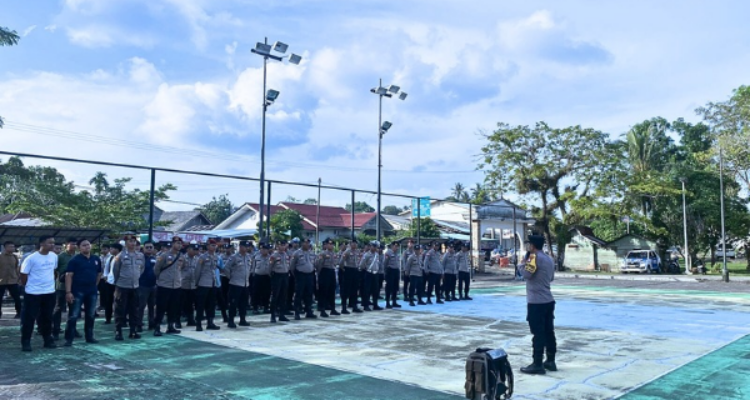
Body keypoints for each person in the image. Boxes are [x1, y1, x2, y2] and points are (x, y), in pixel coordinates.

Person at [518, 235, 557, 375]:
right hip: (548, 300)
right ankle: (551, 360)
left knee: (538, 333)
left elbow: (526, 275)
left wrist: (521, 263)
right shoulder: (548, 259)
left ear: (532, 246)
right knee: (549, 331)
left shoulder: (533, 258)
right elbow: (551, 278)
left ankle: (537, 363)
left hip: (536, 302)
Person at [20, 235, 58, 351]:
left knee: (47, 317)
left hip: (49, 292)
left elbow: (54, 271)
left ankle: (47, 339)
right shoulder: (31, 258)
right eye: (49, 242)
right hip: (33, 293)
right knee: (29, 318)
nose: (52, 245)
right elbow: (23, 274)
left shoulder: (54, 256)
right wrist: (29, 286)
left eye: (53, 243)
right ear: (42, 244)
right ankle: (26, 341)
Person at [63, 239, 102, 346]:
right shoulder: (74, 260)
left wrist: (95, 285)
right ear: (79, 247)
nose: (86, 247)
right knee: (73, 316)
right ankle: (69, 339)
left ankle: (89, 337)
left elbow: (99, 274)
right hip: (77, 291)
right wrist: (68, 292)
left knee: (90, 315)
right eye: (84, 245)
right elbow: (68, 276)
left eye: (88, 245)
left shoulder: (96, 259)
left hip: (92, 291)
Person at [112, 234, 145, 341]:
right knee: (120, 310)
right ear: (126, 243)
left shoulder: (140, 255)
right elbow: (116, 271)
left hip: (135, 286)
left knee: (134, 309)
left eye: (134, 241)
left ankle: (133, 331)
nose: (132, 243)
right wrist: (119, 281)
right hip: (122, 286)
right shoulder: (120, 256)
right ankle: (118, 331)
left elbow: (141, 269)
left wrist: (136, 277)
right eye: (130, 241)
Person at [153, 236, 186, 336]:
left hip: (176, 286)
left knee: (173, 307)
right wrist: (161, 279)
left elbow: (182, 267)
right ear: (172, 244)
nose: (179, 245)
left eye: (180, 243)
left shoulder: (181, 256)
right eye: (177, 243)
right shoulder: (164, 255)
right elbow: (156, 269)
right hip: (164, 285)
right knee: (161, 307)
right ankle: (157, 327)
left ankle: (170, 326)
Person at [53, 238, 77, 341]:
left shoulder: (78, 256)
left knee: (73, 310)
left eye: (75, 244)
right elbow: (54, 270)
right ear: (66, 245)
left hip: (75, 287)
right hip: (61, 287)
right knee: (58, 309)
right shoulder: (60, 257)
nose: (74, 246)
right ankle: (56, 330)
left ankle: (72, 330)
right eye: (72, 244)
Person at [195, 239, 222, 331]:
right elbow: (197, 271)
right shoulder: (202, 257)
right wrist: (197, 282)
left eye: (215, 246)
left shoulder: (216, 257)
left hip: (212, 283)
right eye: (212, 245)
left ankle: (210, 322)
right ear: (207, 246)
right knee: (201, 304)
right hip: (203, 283)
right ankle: (198, 323)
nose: (214, 247)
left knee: (211, 304)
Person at [225, 240, 253, 328]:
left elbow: (250, 268)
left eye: (248, 246)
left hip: (245, 284)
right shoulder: (234, 257)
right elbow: (226, 268)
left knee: (244, 303)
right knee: (233, 303)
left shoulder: (248, 257)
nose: (247, 248)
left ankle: (242, 319)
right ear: (240, 247)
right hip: (235, 284)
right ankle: (231, 320)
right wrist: (231, 277)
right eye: (245, 246)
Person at [291, 238, 317, 320]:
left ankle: (308, 311)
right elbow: (292, 266)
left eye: (308, 243)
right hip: (300, 275)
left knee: (309, 293)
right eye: (305, 243)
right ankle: (297, 312)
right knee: (299, 294)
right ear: (302, 243)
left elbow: (314, 263)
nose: (307, 244)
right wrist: (296, 275)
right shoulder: (297, 253)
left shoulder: (312, 253)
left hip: (310, 275)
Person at [136, 240, 157, 333]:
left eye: (151, 247)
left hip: (153, 285)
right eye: (147, 247)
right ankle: (138, 324)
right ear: (143, 248)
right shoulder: (140, 258)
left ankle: (151, 323)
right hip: (142, 285)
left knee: (152, 306)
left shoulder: (155, 258)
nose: (149, 249)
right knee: (141, 306)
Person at [315, 238, 339, 318]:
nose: (331, 245)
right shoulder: (323, 253)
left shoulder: (333, 253)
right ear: (325, 245)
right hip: (324, 271)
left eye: (332, 244)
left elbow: (335, 263)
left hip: (331, 271)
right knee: (323, 291)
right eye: (329, 244)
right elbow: (318, 264)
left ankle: (333, 309)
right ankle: (322, 309)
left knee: (332, 291)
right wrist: (319, 274)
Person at [180, 242, 200, 327]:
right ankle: (177, 321)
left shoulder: (197, 259)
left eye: (196, 250)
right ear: (188, 250)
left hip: (193, 285)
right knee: (180, 303)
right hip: (183, 284)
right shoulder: (183, 258)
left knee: (191, 303)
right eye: (193, 249)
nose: (195, 251)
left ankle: (190, 319)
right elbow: (178, 269)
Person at [0, 241, 22, 319]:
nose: (12, 248)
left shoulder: (15, 257)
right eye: (10, 246)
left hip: (13, 280)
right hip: (1, 281)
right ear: (5, 247)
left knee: (17, 297)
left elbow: (16, 268)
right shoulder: (1, 257)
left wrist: (18, 278)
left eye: (13, 246)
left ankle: (19, 313)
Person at [340, 240, 362, 314]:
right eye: (353, 243)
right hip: (348, 270)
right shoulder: (347, 252)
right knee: (346, 289)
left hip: (355, 270)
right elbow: (341, 262)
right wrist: (343, 269)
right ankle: (343, 307)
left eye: (356, 243)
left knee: (355, 289)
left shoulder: (357, 252)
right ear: (350, 244)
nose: (355, 245)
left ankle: (354, 306)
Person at [252, 242, 273, 314]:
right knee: (256, 292)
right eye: (262, 249)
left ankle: (266, 307)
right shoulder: (256, 257)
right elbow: (252, 266)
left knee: (267, 293)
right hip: (258, 276)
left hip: (267, 277)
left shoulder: (271, 257)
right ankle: (255, 307)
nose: (263, 251)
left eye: (265, 249)